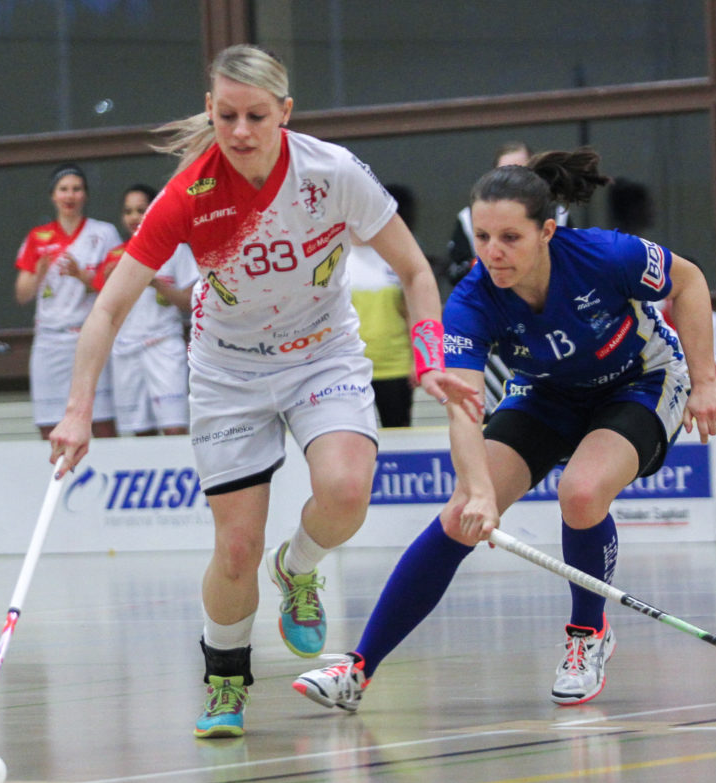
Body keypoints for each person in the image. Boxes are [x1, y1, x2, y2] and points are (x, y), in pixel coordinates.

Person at [47, 44, 480, 738]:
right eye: (226, 116)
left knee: (345, 491)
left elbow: (415, 270)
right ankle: (225, 677)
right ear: (211, 112)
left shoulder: (332, 173)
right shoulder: (188, 195)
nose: (240, 131)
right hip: (227, 372)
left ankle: (299, 567)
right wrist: (76, 412)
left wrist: (429, 355)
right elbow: (107, 307)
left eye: (255, 115)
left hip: (322, 355)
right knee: (236, 547)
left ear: (285, 113)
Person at [295, 147, 716, 712]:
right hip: (546, 391)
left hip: (639, 380)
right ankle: (358, 669)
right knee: (457, 517)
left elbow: (689, 282)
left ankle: (588, 636)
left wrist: (706, 382)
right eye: (481, 237)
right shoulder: (473, 300)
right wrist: (476, 490)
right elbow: (463, 407)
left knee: (581, 491)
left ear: (547, 231)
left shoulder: (605, 254)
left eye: (510, 238)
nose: (493, 254)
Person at [15, 164, 123, 440]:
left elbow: (116, 286)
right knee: (49, 424)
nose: (70, 195)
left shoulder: (104, 233)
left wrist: (81, 275)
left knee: (100, 421)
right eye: (63, 189)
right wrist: (39, 272)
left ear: (85, 195)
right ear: (53, 195)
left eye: (76, 189)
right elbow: (22, 294)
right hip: (50, 340)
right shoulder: (38, 237)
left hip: (89, 336)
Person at [96, 183, 197, 436]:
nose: (134, 217)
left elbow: (191, 303)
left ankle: (182, 475)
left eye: (141, 210)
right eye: (128, 211)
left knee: (174, 427)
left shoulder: (176, 249)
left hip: (163, 346)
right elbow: (103, 309)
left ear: (154, 210)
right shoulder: (116, 255)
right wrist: (108, 283)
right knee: (139, 431)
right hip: (126, 350)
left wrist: (155, 282)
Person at [446, 142, 569, 287]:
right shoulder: (469, 217)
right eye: (483, 236)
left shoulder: (557, 214)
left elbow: (571, 265)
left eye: (511, 237)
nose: (512, 180)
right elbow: (455, 274)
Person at [347, 184, 418, 427]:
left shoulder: (396, 256)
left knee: (399, 432)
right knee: (352, 439)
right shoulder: (335, 258)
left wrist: (418, 359)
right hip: (350, 368)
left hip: (395, 366)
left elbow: (412, 311)